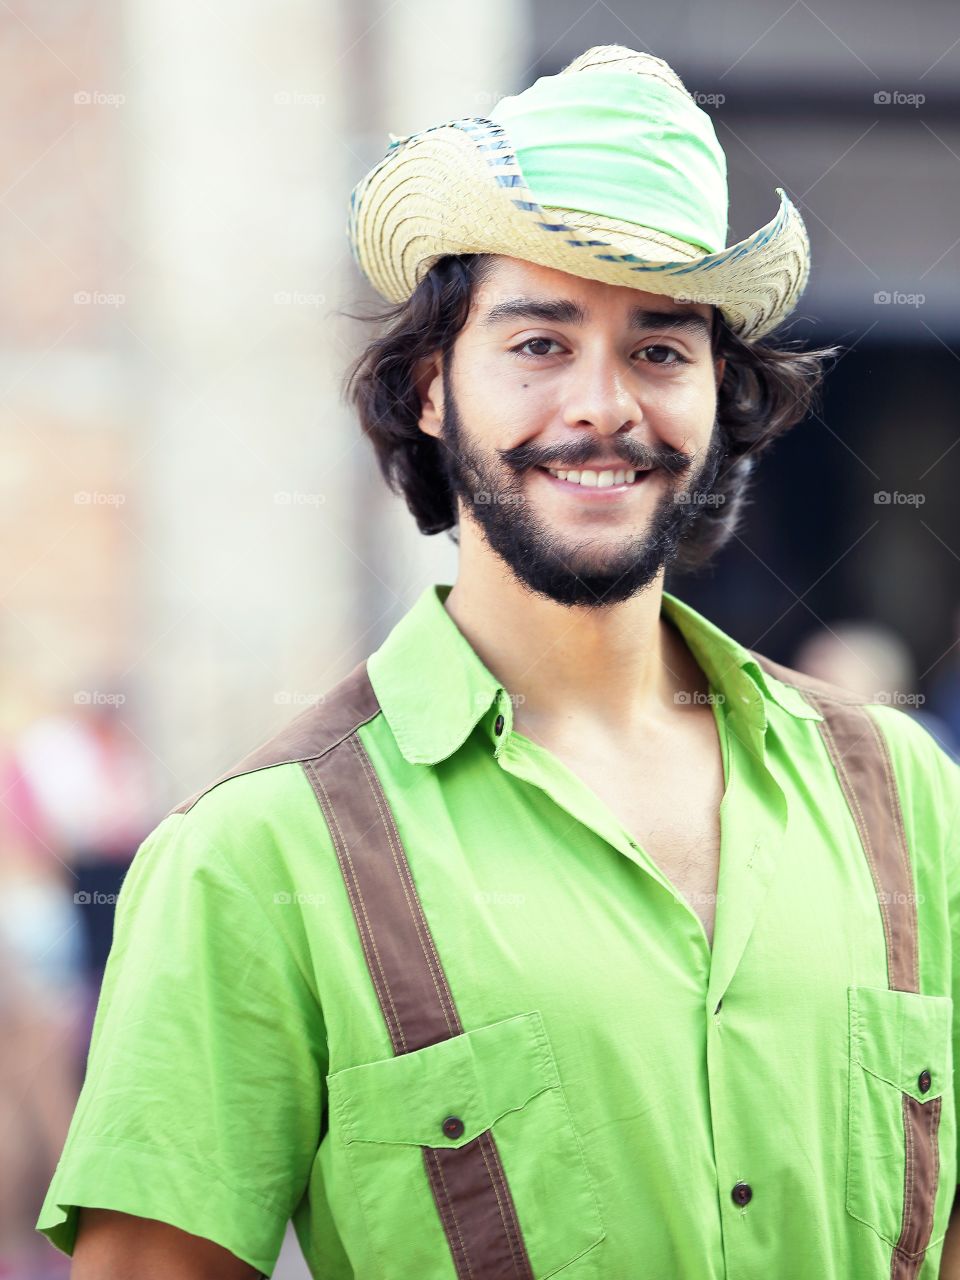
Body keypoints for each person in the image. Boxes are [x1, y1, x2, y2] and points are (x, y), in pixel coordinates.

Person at [36, 43, 960, 1280]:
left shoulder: (905, 794)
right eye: (539, 343)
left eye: (660, 347)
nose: (604, 405)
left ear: (715, 393)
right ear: (429, 387)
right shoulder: (257, 857)